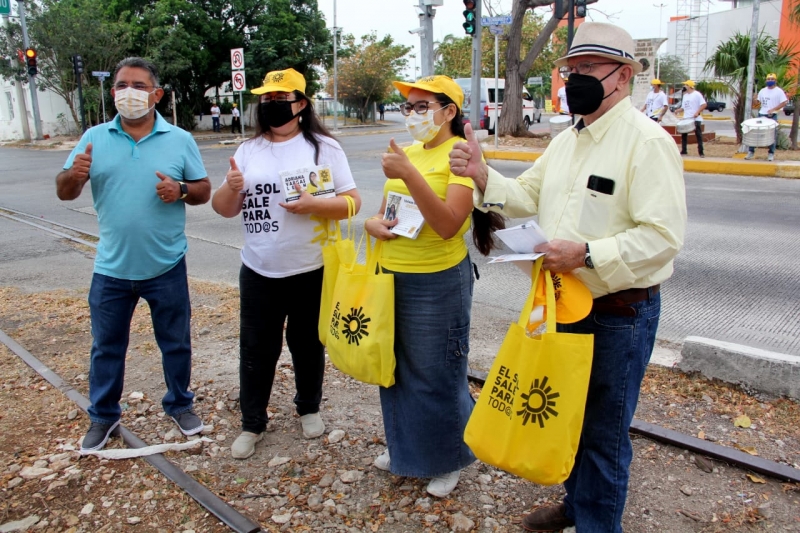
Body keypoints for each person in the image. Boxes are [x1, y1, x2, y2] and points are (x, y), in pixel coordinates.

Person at [449, 23, 686, 532]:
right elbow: (528, 195)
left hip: (616, 313)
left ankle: (597, 523)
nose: (574, 79)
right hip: (561, 306)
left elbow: (662, 238)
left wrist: (586, 254)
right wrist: (482, 175)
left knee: (602, 433)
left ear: (622, 76)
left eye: (588, 70)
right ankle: (577, 507)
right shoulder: (566, 140)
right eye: (570, 70)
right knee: (567, 419)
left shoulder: (646, 143)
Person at [56, 57, 212, 452]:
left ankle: (180, 405)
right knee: (106, 346)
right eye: (122, 84)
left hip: (167, 265)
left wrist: (180, 190)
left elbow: (203, 190)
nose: (130, 92)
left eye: (140, 85)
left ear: (156, 94)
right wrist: (73, 175)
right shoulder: (94, 137)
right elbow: (64, 191)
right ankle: (103, 417)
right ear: (112, 92)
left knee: (175, 343)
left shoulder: (180, 139)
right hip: (111, 268)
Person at [364, 75, 505, 498]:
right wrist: (373, 224)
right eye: (407, 107)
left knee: (439, 373)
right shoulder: (405, 152)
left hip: (437, 282)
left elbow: (447, 225)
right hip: (392, 275)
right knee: (394, 371)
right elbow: (383, 212)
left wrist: (409, 175)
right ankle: (406, 448)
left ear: (448, 112)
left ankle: (448, 457)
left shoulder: (459, 156)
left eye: (422, 106)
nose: (411, 115)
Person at [211, 68, 361, 460]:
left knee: (308, 344)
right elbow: (224, 209)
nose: (272, 107)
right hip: (260, 268)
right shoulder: (248, 150)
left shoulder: (324, 148)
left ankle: (308, 407)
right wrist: (229, 189)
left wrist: (315, 205)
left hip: (312, 267)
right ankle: (252, 422)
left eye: (281, 99)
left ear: (301, 104)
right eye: (266, 100)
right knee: (257, 348)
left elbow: (352, 203)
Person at [746, 73, 788, 161]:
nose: (770, 81)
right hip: (762, 114)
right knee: (755, 132)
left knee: (772, 135)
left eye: (772, 79)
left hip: (772, 116)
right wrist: (754, 99)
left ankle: (771, 153)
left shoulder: (779, 91)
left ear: (775, 81)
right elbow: (756, 104)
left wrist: (774, 109)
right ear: (766, 80)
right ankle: (751, 152)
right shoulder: (762, 91)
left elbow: (784, 102)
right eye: (768, 79)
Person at [679, 79, 706, 157]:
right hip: (686, 118)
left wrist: (697, 112)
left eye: (686, 85)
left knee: (698, 135)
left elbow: (704, 104)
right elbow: (684, 107)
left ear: (689, 86)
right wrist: (678, 110)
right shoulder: (685, 95)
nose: (684, 86)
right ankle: (684, 150)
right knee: (684, 135)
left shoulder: (697, 94)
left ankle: (701, 152)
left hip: (695, 119)